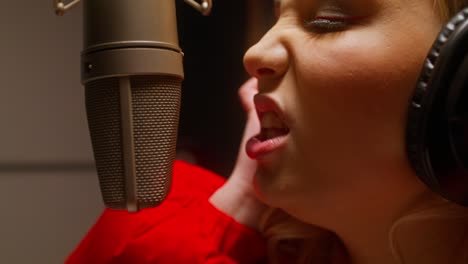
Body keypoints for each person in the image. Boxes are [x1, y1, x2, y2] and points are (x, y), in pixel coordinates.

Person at [67, 0, 468, 263]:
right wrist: (242, 200)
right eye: (276, 17)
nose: (255, 53)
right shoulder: (188, 227)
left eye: (329, 19)